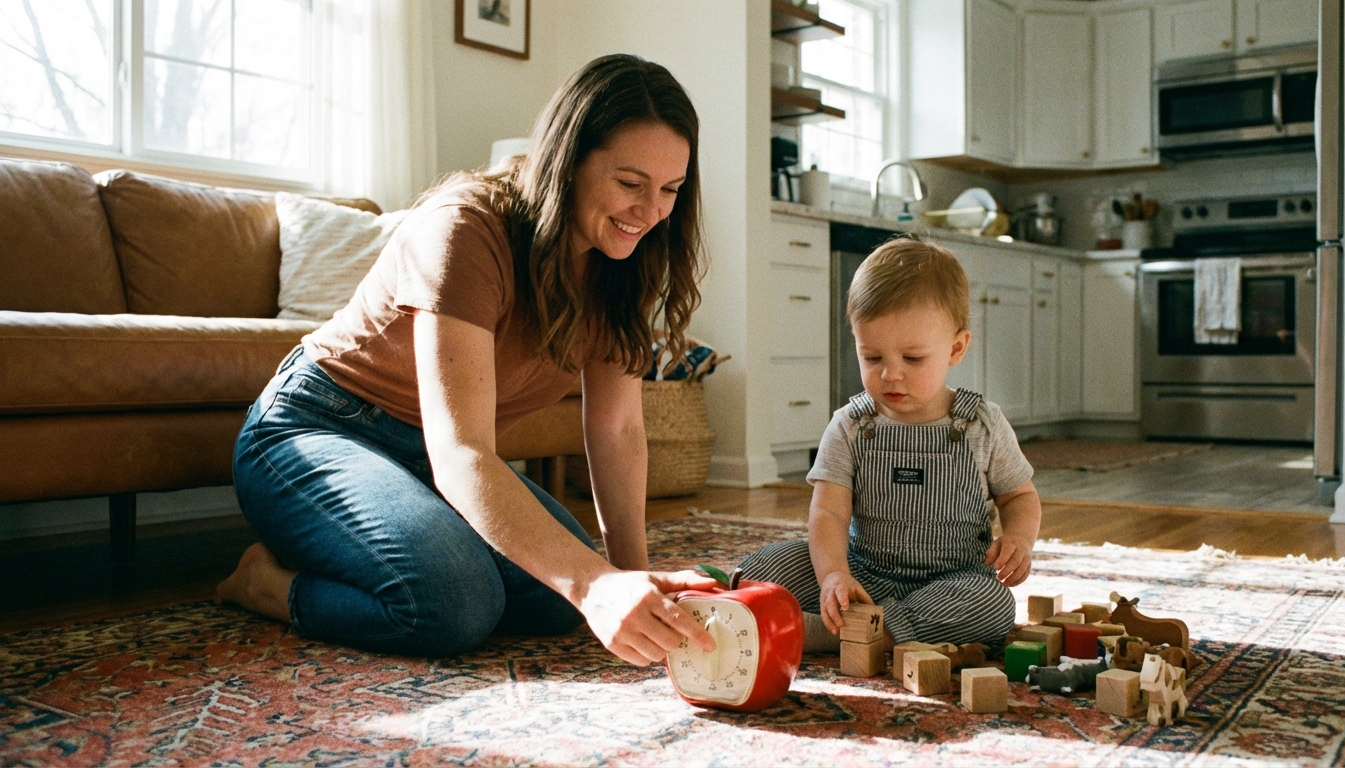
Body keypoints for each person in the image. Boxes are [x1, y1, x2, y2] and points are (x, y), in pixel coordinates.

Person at [216, 54, 720, 663]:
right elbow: (461, 454)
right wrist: (596, 584)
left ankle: (393, 543)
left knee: (562, 600)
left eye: (670, 190)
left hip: (426, 457)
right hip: (318, 426)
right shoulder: (466, 228)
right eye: (630, 184)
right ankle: (266, 584)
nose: (650, 212)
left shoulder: (623, 261)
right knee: (454, 603)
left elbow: (618, 429)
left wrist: (629, 581)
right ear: (568, 160)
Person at [738, 238, 1041, 652]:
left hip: (949, 581)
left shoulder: (981, 424)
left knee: (992, 605)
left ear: (956, 348)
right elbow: (828, 512)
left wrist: (1019, 539)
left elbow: (1020, 497)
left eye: (912, 359)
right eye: (872, 357)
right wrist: (833, 575)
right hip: (862, 575)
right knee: (768, 564)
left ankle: (843, 635)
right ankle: (844, 620)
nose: (890, 375)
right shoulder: (850, 425)